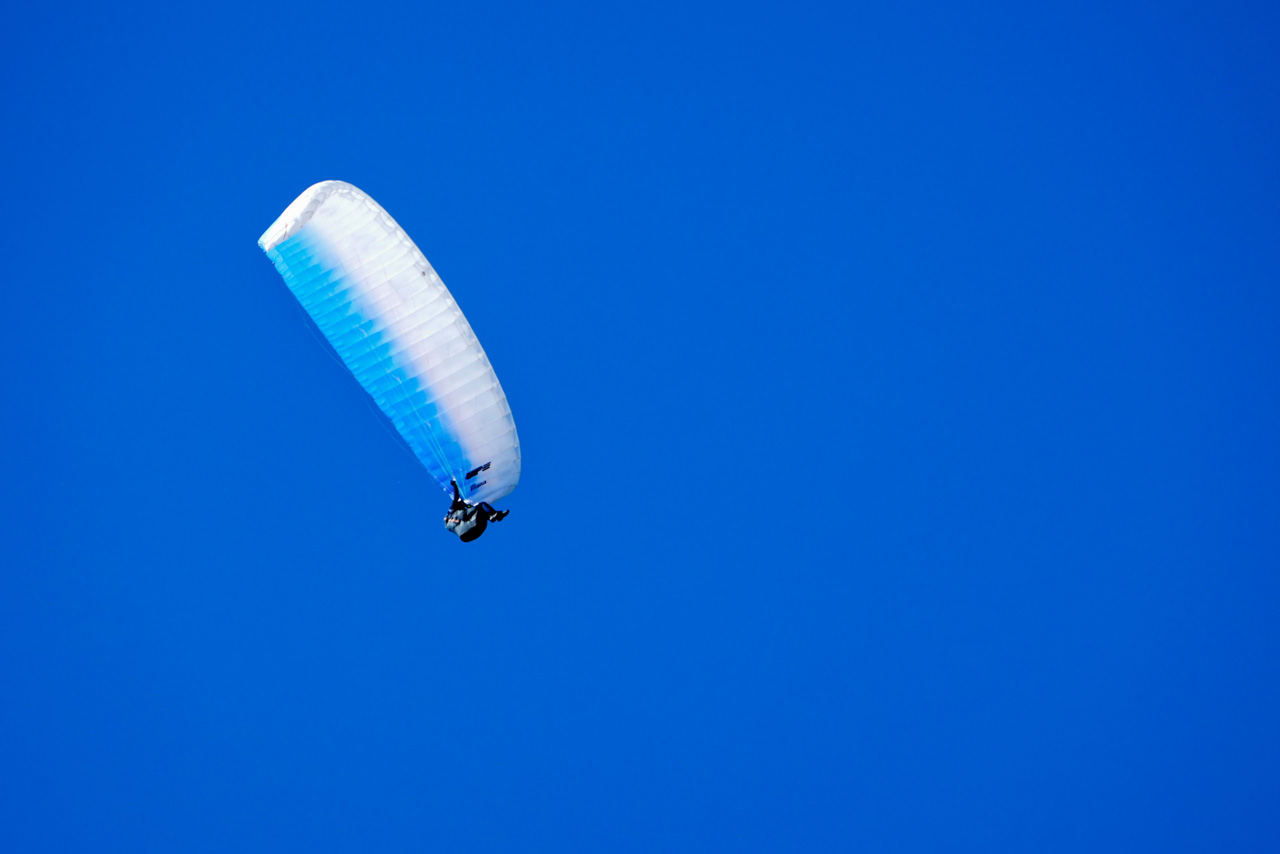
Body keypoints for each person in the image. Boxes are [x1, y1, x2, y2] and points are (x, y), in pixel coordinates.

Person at [443, 480, 509, 542]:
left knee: (481, 513)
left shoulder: (448, 521)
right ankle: (494, 515)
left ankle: (492, 516)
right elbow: (456, 498)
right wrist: (454, 485)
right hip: (472, 528)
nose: (465, 506)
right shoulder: (454, 511)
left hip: (467, 536)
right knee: (481, 505)